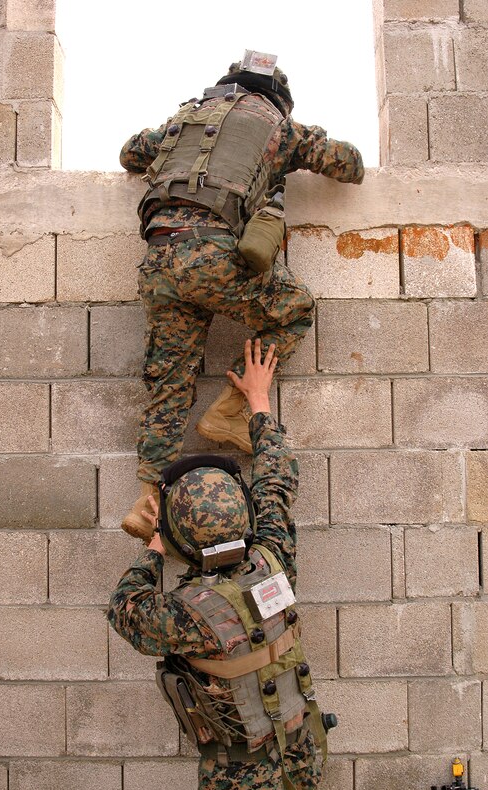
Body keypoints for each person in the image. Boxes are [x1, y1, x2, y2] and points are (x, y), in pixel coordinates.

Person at [120, 50, 365, 540]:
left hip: (159, 260)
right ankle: (232, 406)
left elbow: (130, 152)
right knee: (295, 308)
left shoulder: (183, 118)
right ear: (279, 96)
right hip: (213, 256)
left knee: (170, 378)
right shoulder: (278, 124)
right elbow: (350, 165)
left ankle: (146, 501)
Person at [108, 338, 333, 790]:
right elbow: (275, 481)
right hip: (302, 758)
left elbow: (126, 609)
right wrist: (258, 401)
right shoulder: (273, 559)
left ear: (179, 538)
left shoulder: (186, 613)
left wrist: (153, 550)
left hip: (243, 789)